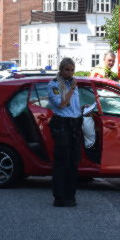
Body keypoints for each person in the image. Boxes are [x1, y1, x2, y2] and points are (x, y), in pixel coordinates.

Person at [47, 58, 81, 207]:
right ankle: (59, 198)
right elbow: (61, 104)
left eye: (72, 70)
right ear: (61, 70)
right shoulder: (54, 84)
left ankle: (70, 196)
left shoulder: (74, 84)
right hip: (61, 123)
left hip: (74, 123)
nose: (70, 73)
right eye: (67, 70)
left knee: (73, 162)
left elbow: (73, 106)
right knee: (62, 162)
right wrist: (72, 89)